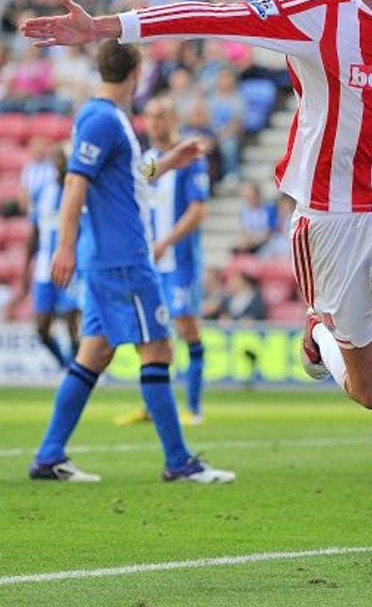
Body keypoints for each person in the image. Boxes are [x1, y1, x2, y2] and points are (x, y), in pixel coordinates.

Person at [23, 0, 372, 585]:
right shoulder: (318, 15)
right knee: (371, 393)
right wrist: (112, 27)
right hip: (330, 219)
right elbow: (217, 14)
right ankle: (323, 337)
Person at [26, 40, 233, 486]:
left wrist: (168, 162)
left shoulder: (104, 118)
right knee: (157, 347)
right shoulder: (103, 119)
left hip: (108, 258)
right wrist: (64, 246)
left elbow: (127, 176)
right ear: (136, 73)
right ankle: (178, 461)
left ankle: (48, 455)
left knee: (94, 352)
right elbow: (75, 185)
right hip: (123, 258)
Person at [115, 96, 211, 428]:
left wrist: (165, 242)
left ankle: (195, 408)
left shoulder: (189, 158)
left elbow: (198, 210)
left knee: (186, 328)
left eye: (161, 115)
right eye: (150, 117)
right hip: (150, 262)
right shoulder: (148, 161)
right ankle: (152, 404)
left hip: (179, 261)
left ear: (173, 118)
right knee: (149, 334)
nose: (154, 123)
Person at [21, 144, 83, 368]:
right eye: (56, 160)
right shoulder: (43, 191)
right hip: (43, 270)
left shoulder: (80, 191)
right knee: (41, 327)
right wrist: (25, 271)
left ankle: (78, 372)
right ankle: (66, 366)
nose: (59, 165)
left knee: (72, 324)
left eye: (63, 160)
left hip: (72, 269)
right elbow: (34, 233)